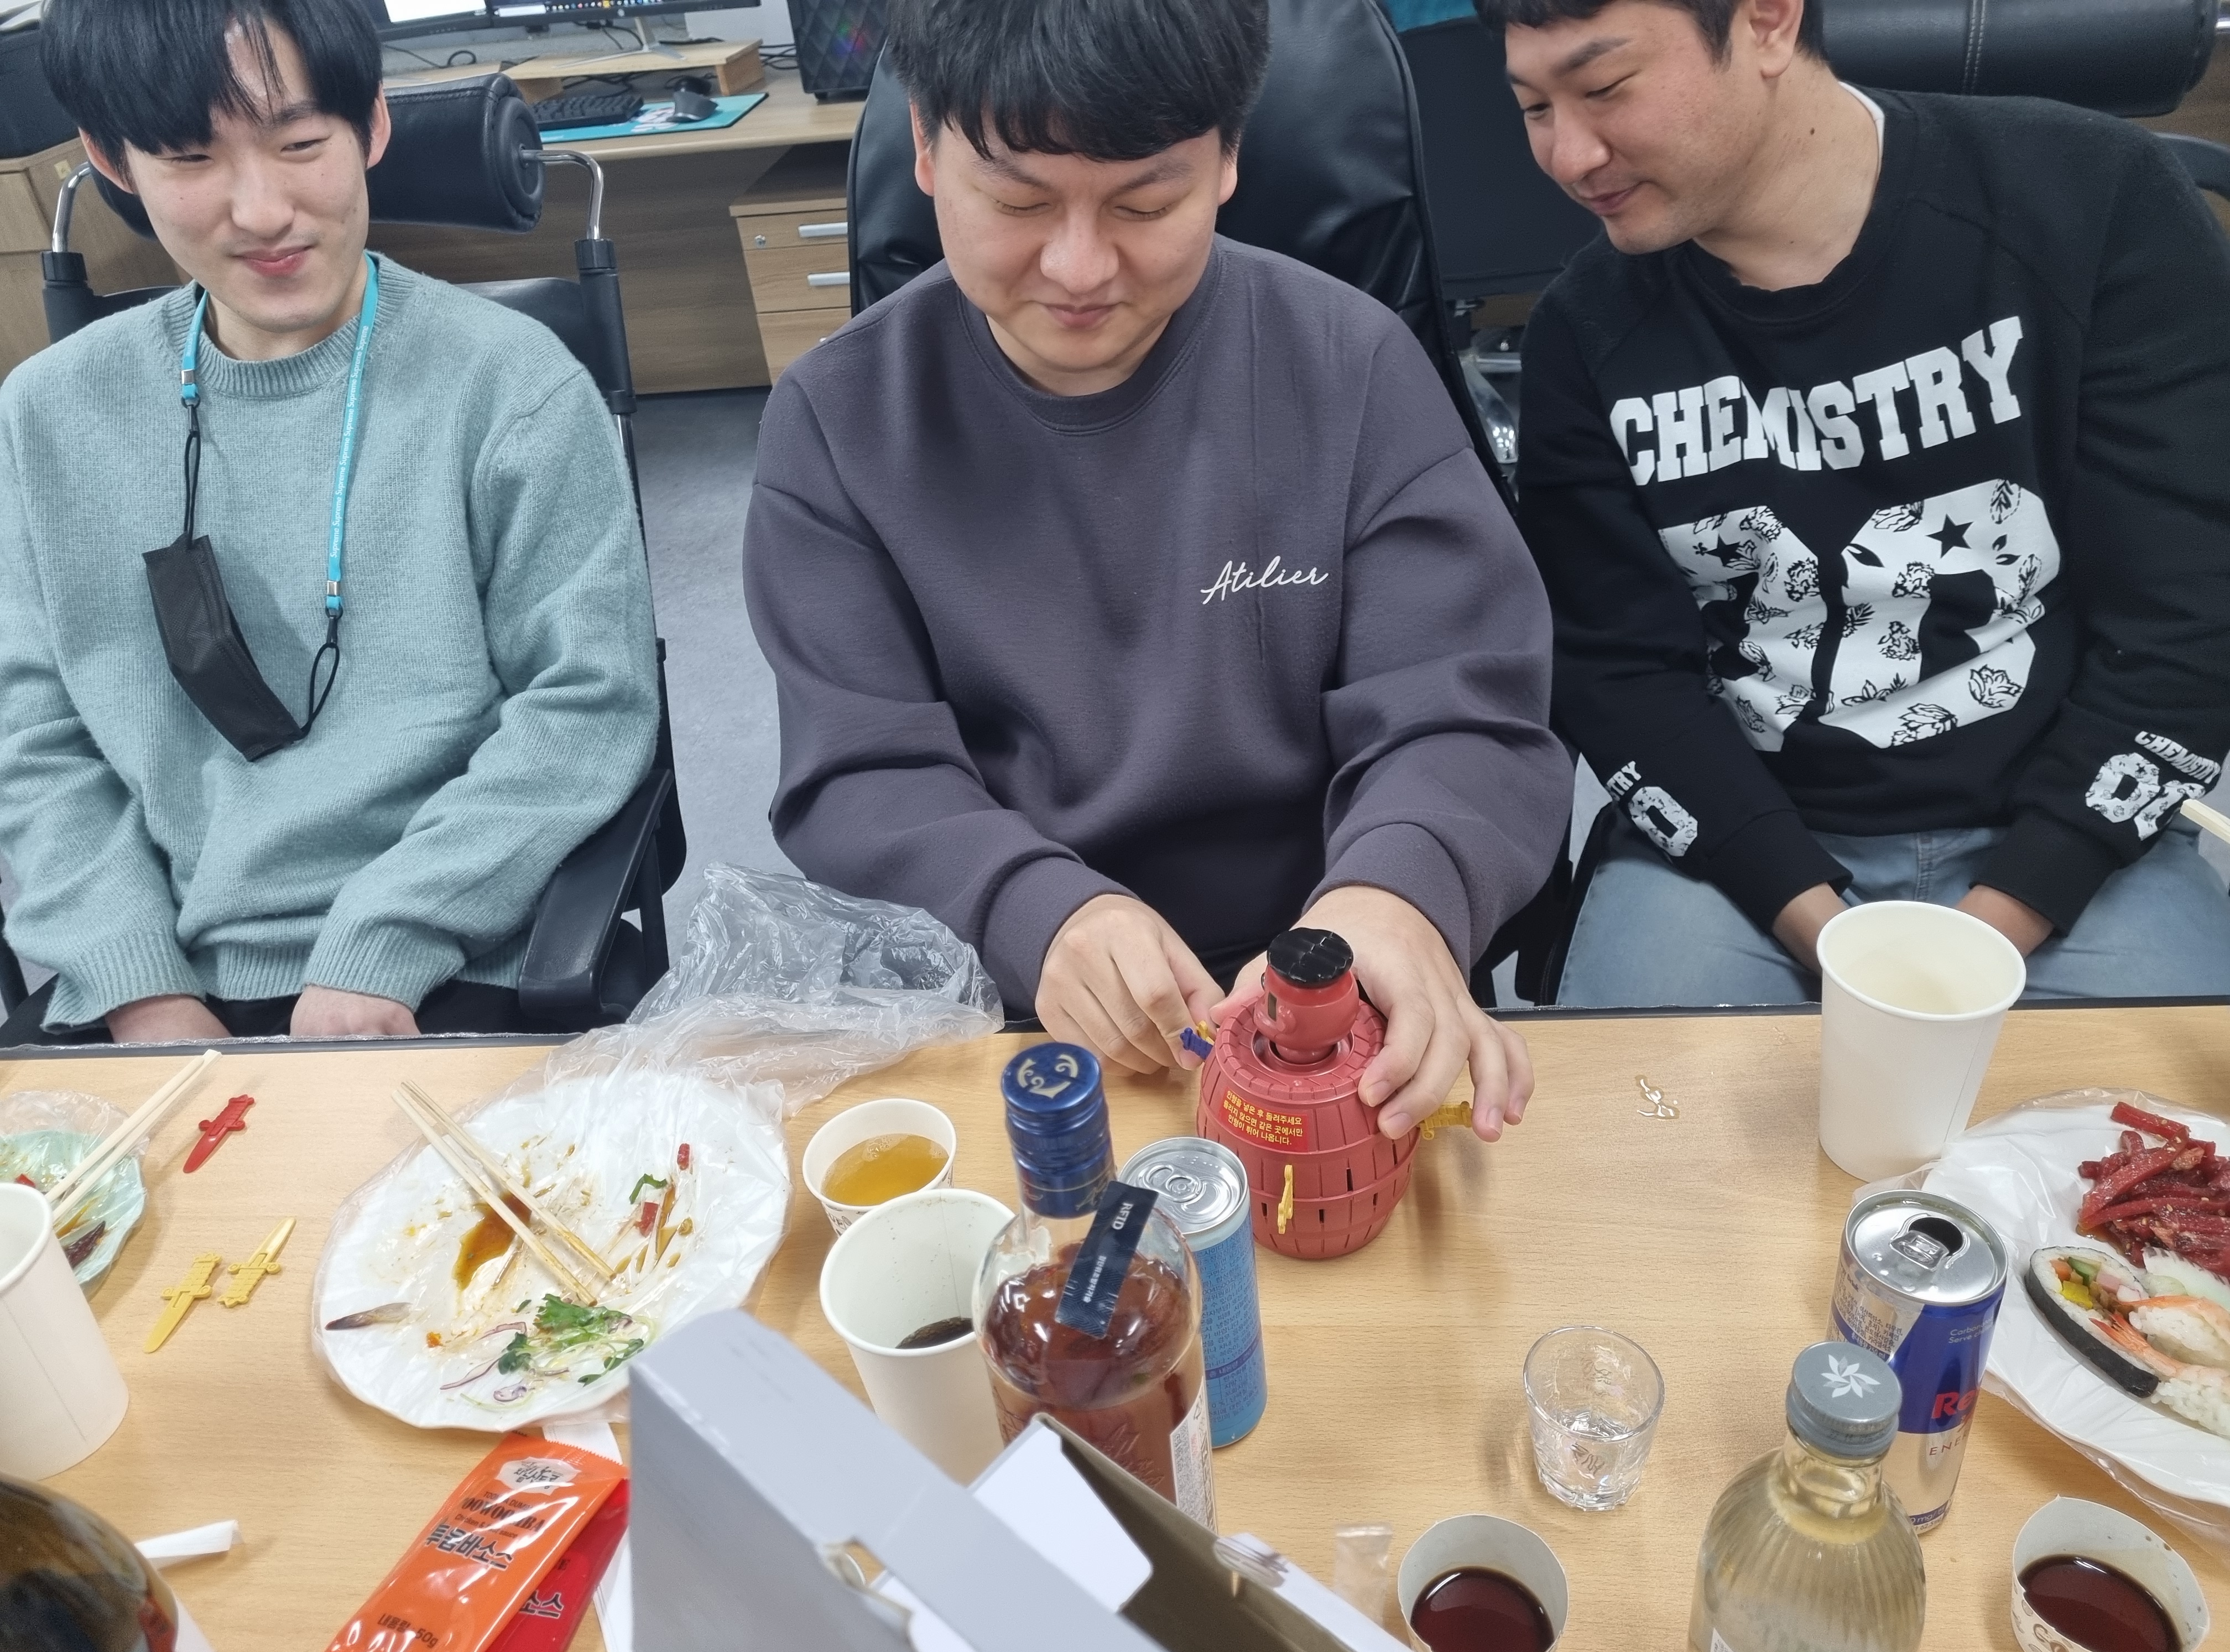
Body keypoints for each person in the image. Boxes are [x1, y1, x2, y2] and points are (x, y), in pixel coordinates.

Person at [743, 0, 1567, 1137]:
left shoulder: (1355, 367)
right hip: (1015, 1007)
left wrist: (1398, 892)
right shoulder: (837, 423)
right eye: (1020, 202)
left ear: (1227, 161)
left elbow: (1463, 712)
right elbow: (859, 768)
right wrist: (1035, 908)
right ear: (926, 147)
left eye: (1144, 204)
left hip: (1340, 995)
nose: (1079, 268)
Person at [1488, 0, 2230, 1005]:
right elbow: (1617, 672)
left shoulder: (2091, 198)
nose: (1571, 156)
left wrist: (1999, 922)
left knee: (2166, 1099)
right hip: (1743, 854)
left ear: (1766, 21)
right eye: (1534, 108)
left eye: (1606, 88)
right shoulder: (1584, 330)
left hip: (2071, 833)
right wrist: (1831, 935)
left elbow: (2189, 613)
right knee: (1641, 1101)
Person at [0, 0, 660, 1044]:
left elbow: (589, 703)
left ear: (373, 126)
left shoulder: (513, 387)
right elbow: (37, 739)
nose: (262, 211)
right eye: (190, 158)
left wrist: (386, 943)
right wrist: (136, 985)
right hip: (158, 980)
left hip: (462, 950)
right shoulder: (47, 414)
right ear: (113, 161)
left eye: (301, 143)